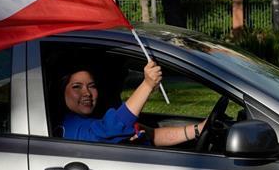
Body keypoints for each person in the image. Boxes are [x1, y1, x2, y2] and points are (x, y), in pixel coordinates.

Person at [60, 61, 206, 145]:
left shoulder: (95, 119)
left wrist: (198, 129)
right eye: (76, 87)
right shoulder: (69, 126)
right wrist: (147, 85)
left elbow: (154, 135)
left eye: (91, 86)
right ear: (61, 91)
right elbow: (111, 127)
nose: (86, 93)